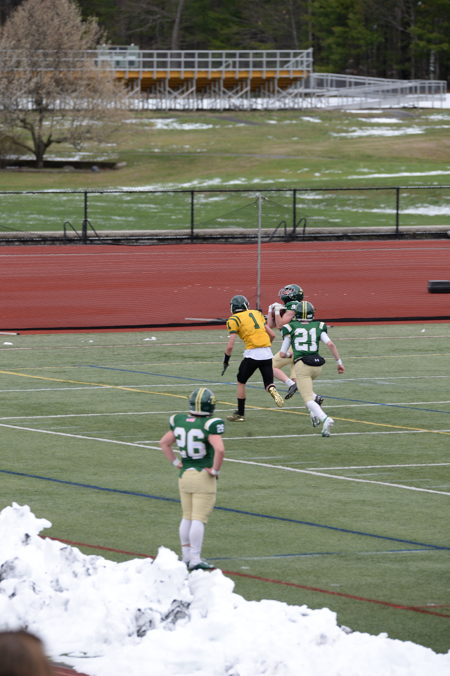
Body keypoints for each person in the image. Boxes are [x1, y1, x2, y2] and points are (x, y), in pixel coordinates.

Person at [159, 387, 225, 571]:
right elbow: (220, 449)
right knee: (198, 518)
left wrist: (175, 462)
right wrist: (215, 470)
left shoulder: (179, 420)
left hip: (184, 474)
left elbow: (164, 443)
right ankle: (195, 558)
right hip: (203, 475)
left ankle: (186, 556)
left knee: (187, 516)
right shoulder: (209, 424)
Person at [279, 300, 345, 437]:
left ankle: (325, 419)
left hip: (302, 366)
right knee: (308, 391)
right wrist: (339, 362)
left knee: (308, 398)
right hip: (317, 366)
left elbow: (282, 354)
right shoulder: (318, 326)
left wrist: (291, 354)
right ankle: (314, 414)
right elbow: (331, 344)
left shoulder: (290, 327)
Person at [221, 294, 284, 422]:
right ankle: (272, 389)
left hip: (252, 354)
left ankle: (240, 414)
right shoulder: (256, 313)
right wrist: (265, 347)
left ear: (232, 307)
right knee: (268, 383)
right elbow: (272, 334)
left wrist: (226, 361)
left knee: (241, 382)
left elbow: (230, 346)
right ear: (246, 305)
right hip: (267, 353)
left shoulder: (233, 319)